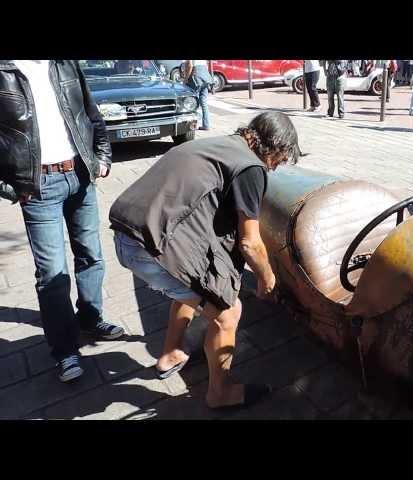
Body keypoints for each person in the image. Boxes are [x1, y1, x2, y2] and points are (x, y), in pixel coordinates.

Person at [109, 111, 302, 409]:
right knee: (228, 312)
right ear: (275, 147)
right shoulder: (250, 167)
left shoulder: (215, 146)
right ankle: (220, 393)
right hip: (148, 249)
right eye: (280, 159)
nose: (275, 167)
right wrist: (267, 277)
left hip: (126, 235)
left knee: (194, 289)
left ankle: (171, 354)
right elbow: (250, 243)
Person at [0, 60, 123, 382]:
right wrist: (10, 187)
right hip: (37, 187)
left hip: (80, 175)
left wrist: (103, 155)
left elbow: (90, 113)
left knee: (91, 255)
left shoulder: (64, 63)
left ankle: (91, 318)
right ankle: (65, 349)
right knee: (53, 273)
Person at [184, 60, 213, 131]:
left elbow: (190, 65)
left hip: (196, 78)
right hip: (205, 78)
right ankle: (206, 125)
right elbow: (206, 65)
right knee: (204, 103)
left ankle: (192, 125)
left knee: (193, 102)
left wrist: (186, 78)